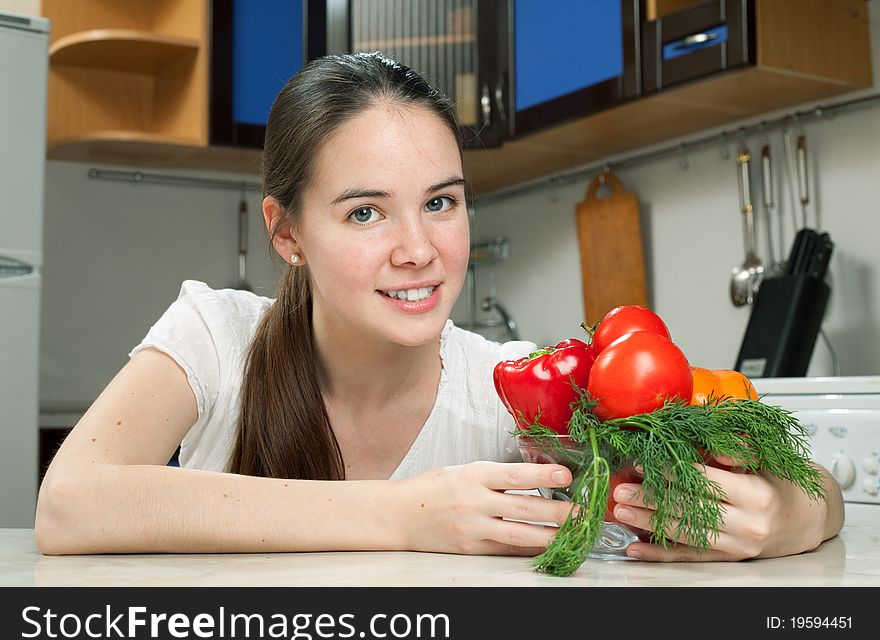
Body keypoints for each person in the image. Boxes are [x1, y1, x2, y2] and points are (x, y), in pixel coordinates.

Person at [34, 52, 843, 564]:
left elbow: (819, 490)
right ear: (287, 234)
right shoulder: (215, 337)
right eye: (364, 212)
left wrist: (792, 518)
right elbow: (70, 503)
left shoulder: (517, 388)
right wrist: (404, 514)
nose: (418, 248)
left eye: (442, 202)